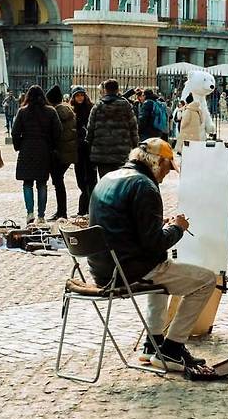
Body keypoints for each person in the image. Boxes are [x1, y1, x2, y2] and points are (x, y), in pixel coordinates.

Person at [88, 138, 215, 370]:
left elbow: (124, 226)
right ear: (158, 162)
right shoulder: (145, 186)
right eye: (168, 167)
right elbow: (154, 244)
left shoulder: (108, 178)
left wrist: (159, 225)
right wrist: (177, 228)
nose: (166, 174)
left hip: (102, 268)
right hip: (129, 269)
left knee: (160, 270)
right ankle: (172, 349)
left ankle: (152, 344)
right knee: (205, 280)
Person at [12, 85, 62, 225]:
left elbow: (15, 132)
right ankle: (41, 216)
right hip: (44, 149)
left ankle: (30, 213)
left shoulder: (23, 111)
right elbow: (58, 131)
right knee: (42, 183)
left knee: (27, 183)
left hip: (27, 148)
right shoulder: (50, 111)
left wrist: (19, 146)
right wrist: (52, 146)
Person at [86, 79, 139, 179]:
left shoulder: (98, 106)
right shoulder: (125, 105)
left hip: (102, 152)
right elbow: (133, 128)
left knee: (105, 181)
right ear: (117, 89)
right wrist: (135, 146)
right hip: (122, 152)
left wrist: (90, 148)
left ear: (105, 90)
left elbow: (90, 129)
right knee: (120, 182)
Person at [46, 85, 77, 220]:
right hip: (69, 152)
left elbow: (54, 133)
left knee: (58, 182)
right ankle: (61, 211)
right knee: (59, 181)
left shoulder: (56, 113)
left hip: (59, 152)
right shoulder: (68, 110)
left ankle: (61, 212)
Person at [70, 86, 97, 217]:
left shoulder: (91, 108)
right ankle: (83, 208)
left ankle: (89, 209)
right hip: (78, 149)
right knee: (80, 179)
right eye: (77, 95)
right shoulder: (71, 110)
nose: (80, 97)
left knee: (91, 179)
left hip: (90, 148)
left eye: (81, 95)